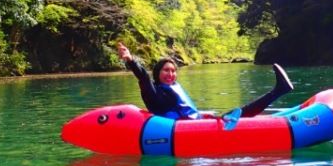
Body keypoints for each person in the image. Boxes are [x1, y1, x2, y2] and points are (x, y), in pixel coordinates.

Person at [116, 42, 294, 119]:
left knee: (236, 114)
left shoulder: (173, 88)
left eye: (173, 71)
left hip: (194, 124)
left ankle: (279, 92)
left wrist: (203, 116)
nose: (170, 74)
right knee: (238, 115)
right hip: (179, 131)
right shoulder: (153, 92)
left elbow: (185, 111)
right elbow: (143, 77)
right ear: (157, 73)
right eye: (166, 71)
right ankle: (278, 91)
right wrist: (130, 60)